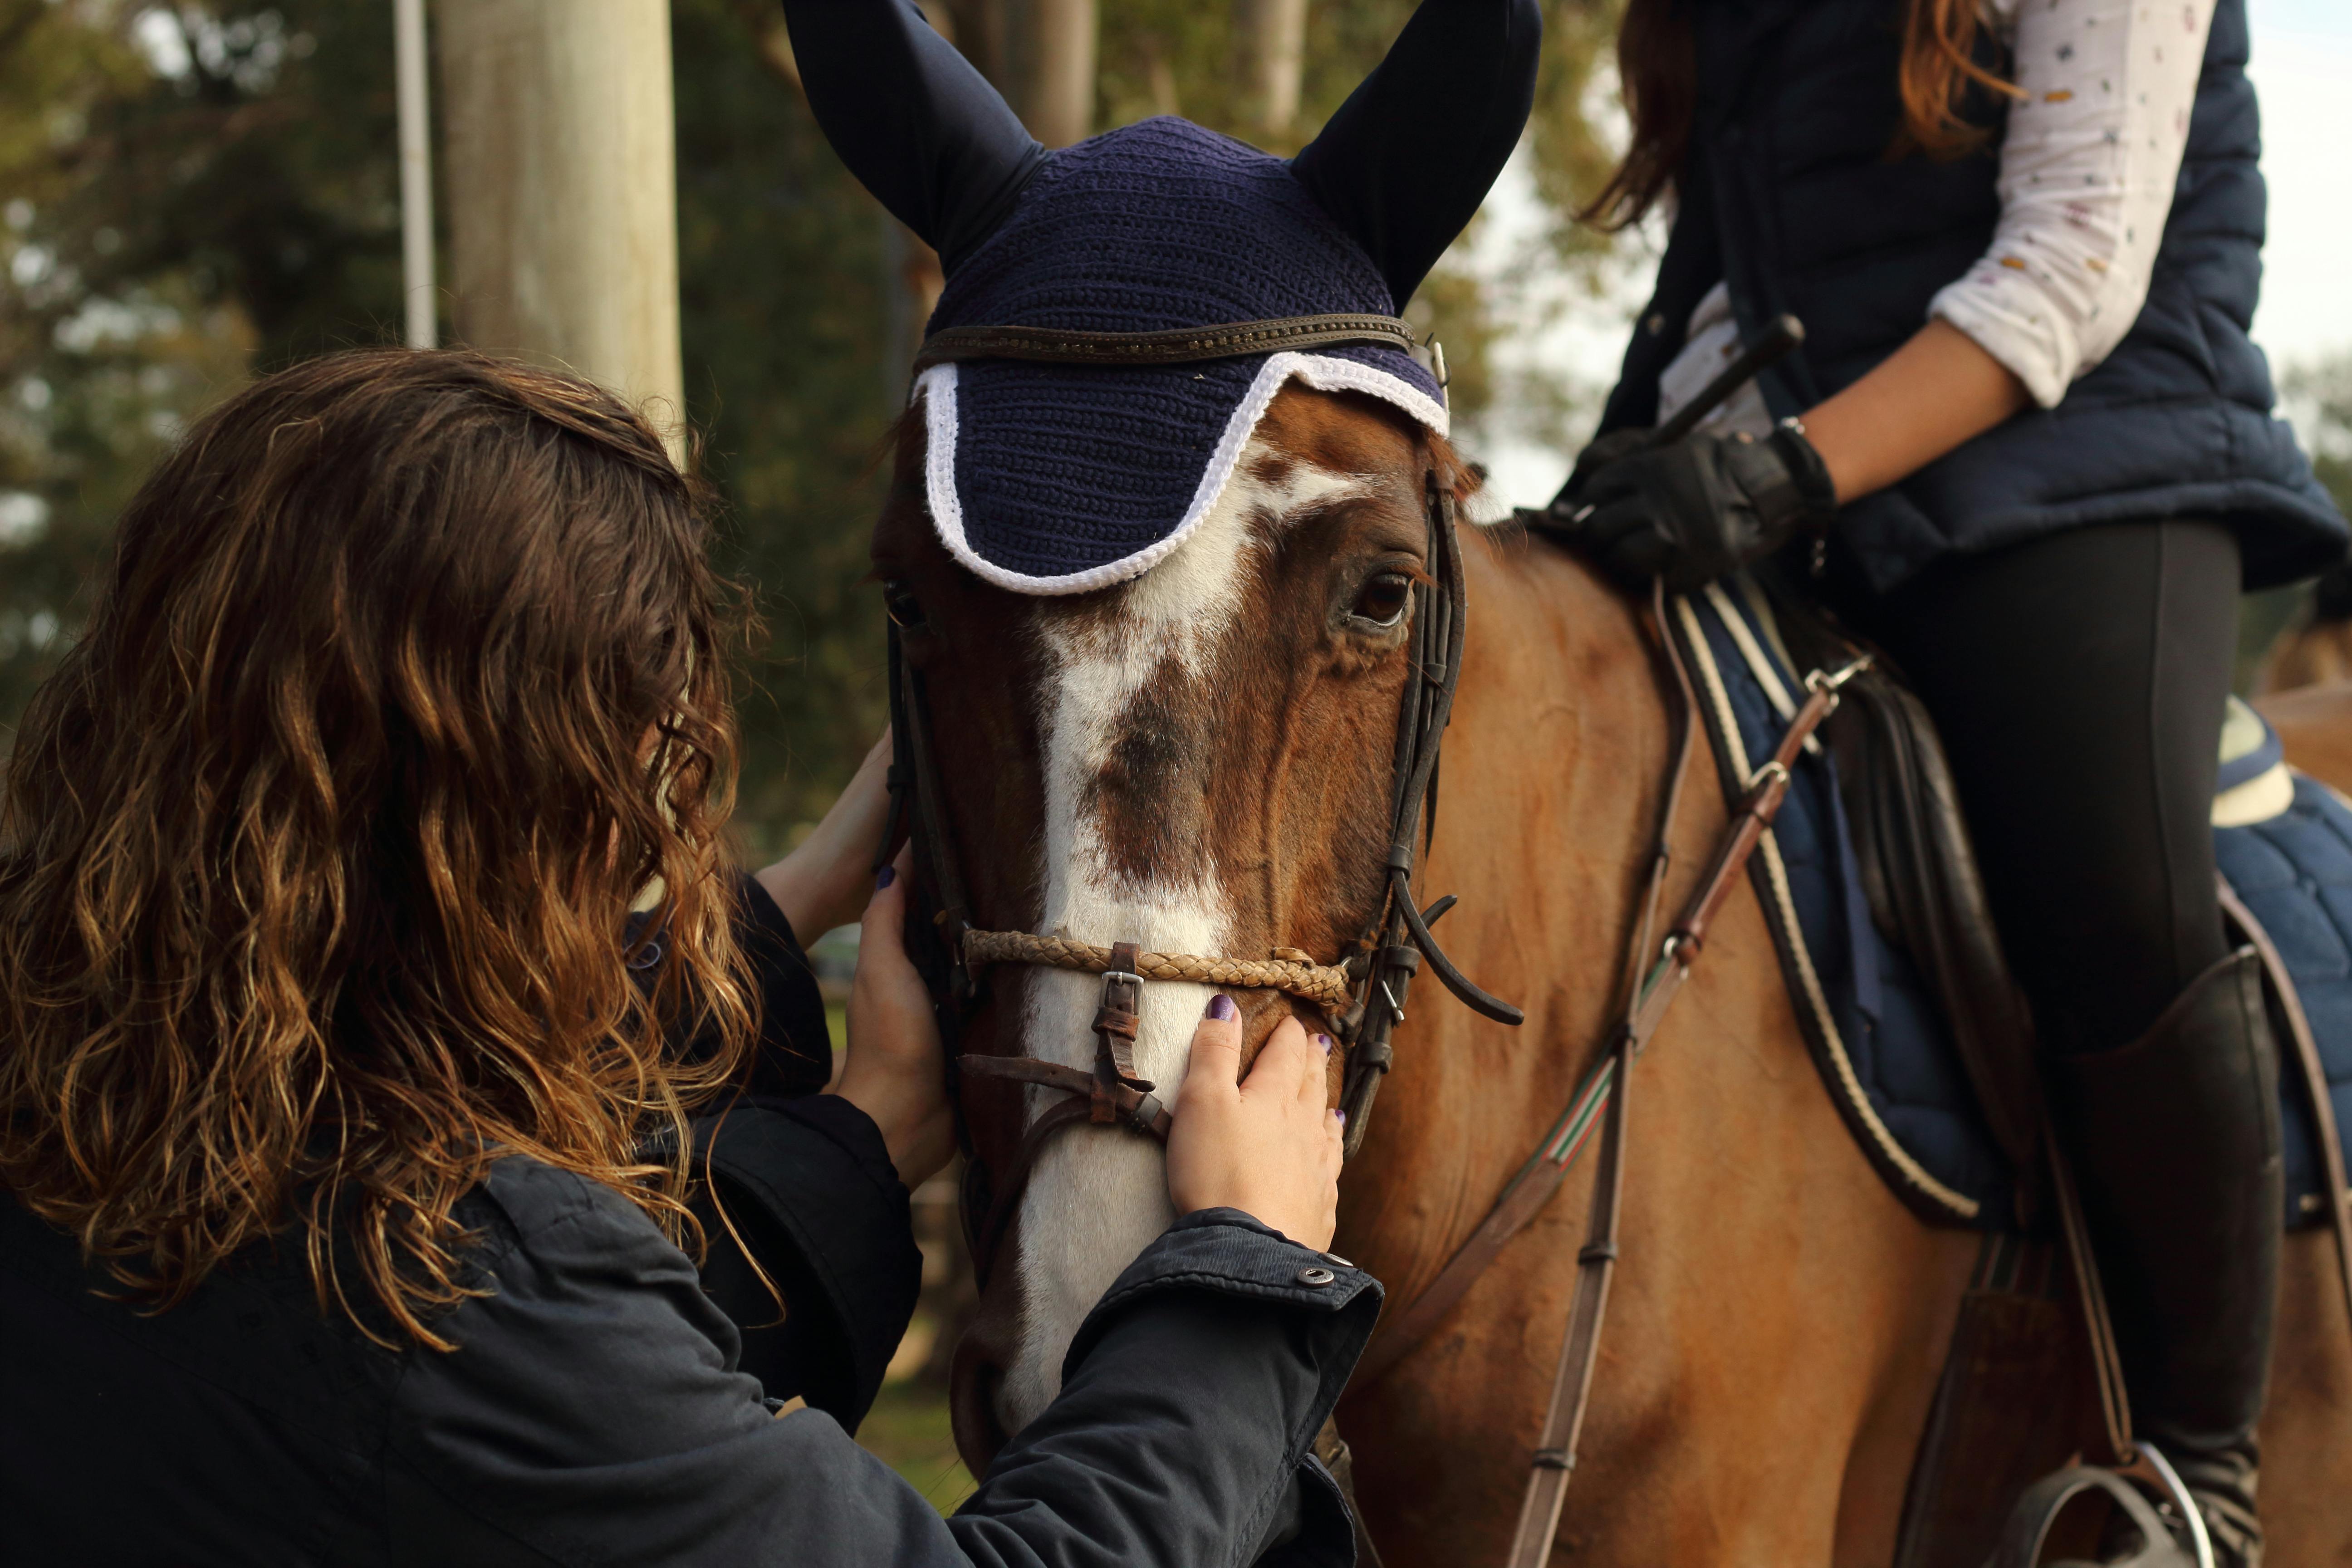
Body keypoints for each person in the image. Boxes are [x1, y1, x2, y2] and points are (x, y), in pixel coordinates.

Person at [0, 348, 1367, 1565]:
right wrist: (1237, 1288)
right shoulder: (457, 1292)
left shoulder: (78, 1099)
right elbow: (521, 1374)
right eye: (638, 775)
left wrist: (795, 939)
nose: (646, 841)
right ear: (514, 817)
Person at [1553, 1, 2349, 1561]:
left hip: (2081, 452)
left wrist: (1779, 474)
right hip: (1815, 486)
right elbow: (1717, 290)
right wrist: (1587, 505)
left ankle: (2198, 1478)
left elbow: (2071, 268)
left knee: (2110, 885)